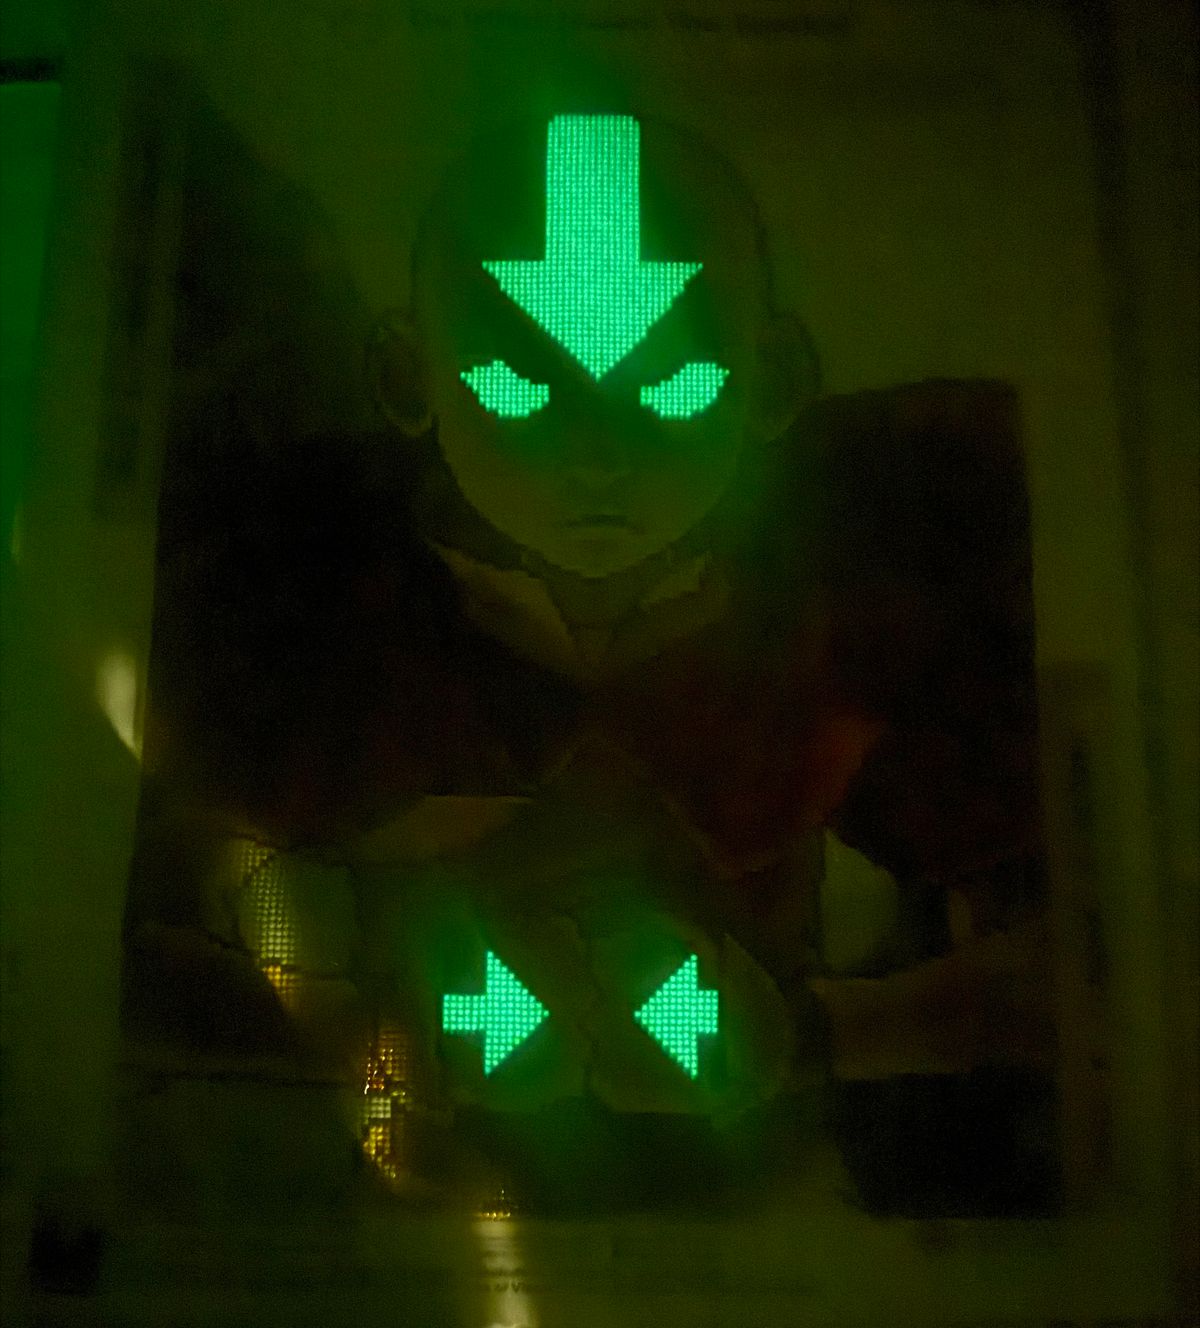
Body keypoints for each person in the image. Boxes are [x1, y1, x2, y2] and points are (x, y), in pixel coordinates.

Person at [134, 110, 1052, 1211]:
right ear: (408, 377)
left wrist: (818, 1033)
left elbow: (1061, 959)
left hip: (772, 1198)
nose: (598, 457)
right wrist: (337, 1015)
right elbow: (174, 887)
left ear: (774, 381)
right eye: (520, 388)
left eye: (672, 389)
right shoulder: (296, 583)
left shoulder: (861, 593)